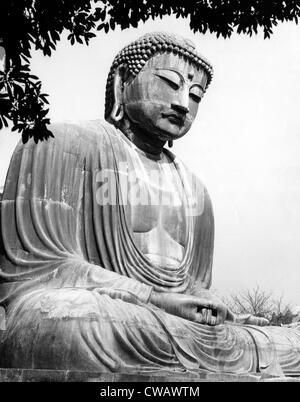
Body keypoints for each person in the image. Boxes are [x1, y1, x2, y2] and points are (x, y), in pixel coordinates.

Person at [0, 32, 298, 376]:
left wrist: (218, 310)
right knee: (70, 322)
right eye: (169, 83)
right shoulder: (57, 142)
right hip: (105, 312)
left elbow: (193, 287)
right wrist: (151, 297)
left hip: (168, 326)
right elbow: (39, 271)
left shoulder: (195, 190)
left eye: (196, 95)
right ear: (123, 82)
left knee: (283, 343)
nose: (183, 103)